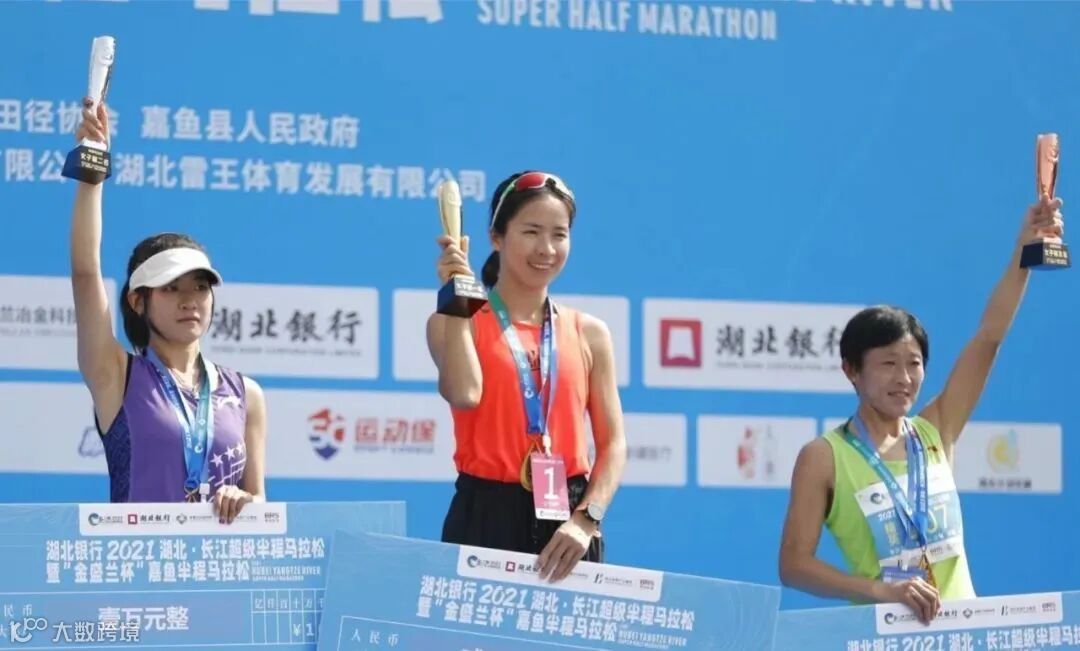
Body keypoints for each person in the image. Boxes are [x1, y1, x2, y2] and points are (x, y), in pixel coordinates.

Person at [778, 193, 1065, 623]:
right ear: (851, 370)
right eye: (888, 364)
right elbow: (794, 565)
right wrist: (879, 590)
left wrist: (1024, 253)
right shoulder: (824, 456)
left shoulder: (936, 428)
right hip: (884, 638)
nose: (904, 378)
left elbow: (989, 336)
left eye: (914, 364)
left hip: (964, 635)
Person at [70, 98, 267, 522]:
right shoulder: (116, 375)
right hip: (139, 564)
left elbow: (261, 504)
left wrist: (246, 501)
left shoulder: (246, 394)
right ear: (137, 300)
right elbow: (86, 272)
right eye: (171, 288)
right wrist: (93, 170)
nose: (189, 299)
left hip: (219, 565)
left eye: (200, 287)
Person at [426, 170, 627, 582]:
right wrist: (458, 300)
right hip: (484, 516)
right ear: (496, 237)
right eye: (531, 232)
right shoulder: (453, 320)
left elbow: (613, 443)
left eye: (559, 234)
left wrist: (586, 519)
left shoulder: (590, 332)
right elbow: (464, 393)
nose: (546, 249)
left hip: (570, 524)